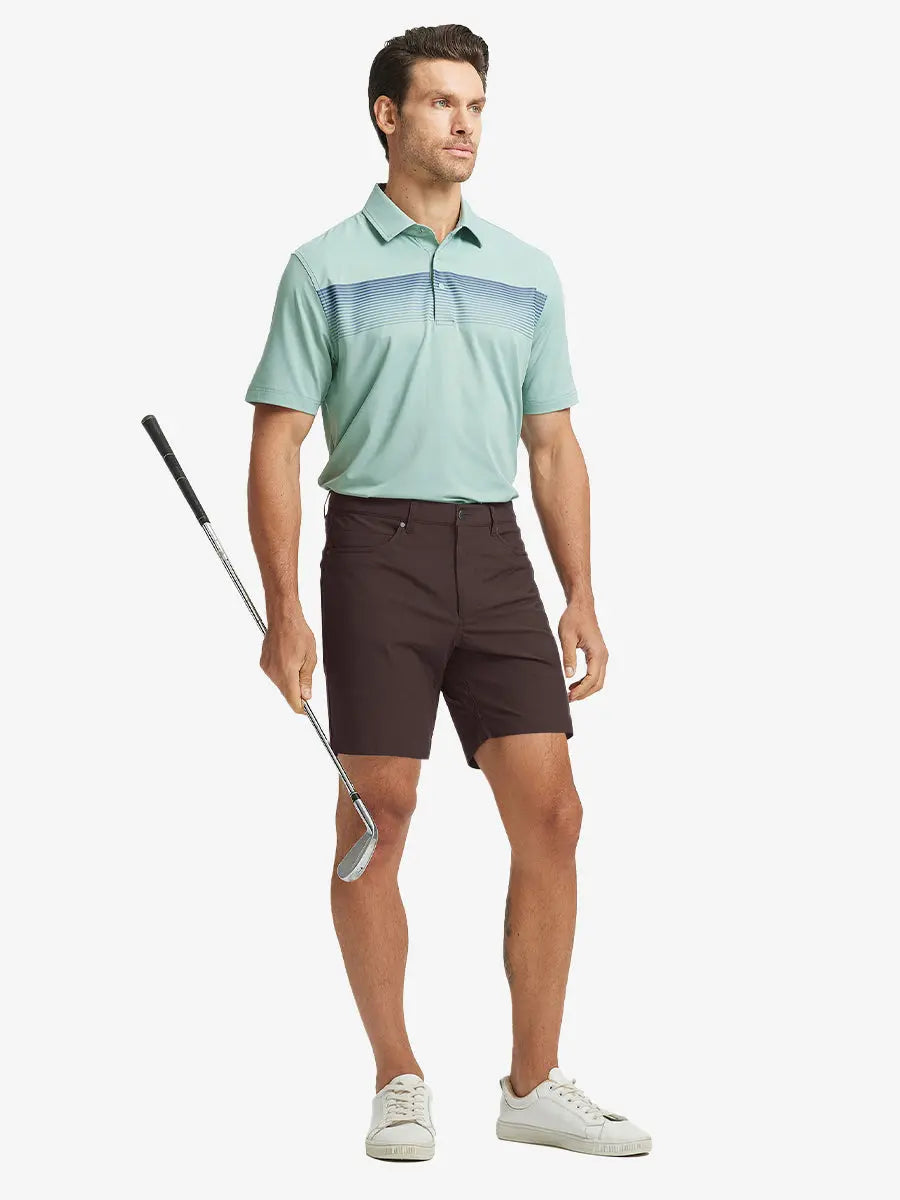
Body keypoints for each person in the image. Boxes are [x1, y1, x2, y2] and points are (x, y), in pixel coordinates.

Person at [243, 23, 651, 1163]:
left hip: (496, 555)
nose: (464, 123)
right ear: (389, 115)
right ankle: (398, 1076)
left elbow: (553, 446)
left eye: (475, 104)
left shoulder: (525, 270)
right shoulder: (322, 267)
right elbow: (278, 442)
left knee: (555, 816)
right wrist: (285, 610)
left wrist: (581, 593)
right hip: (376, 552)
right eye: (440, 103)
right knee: (379, 812)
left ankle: (533, 1083)